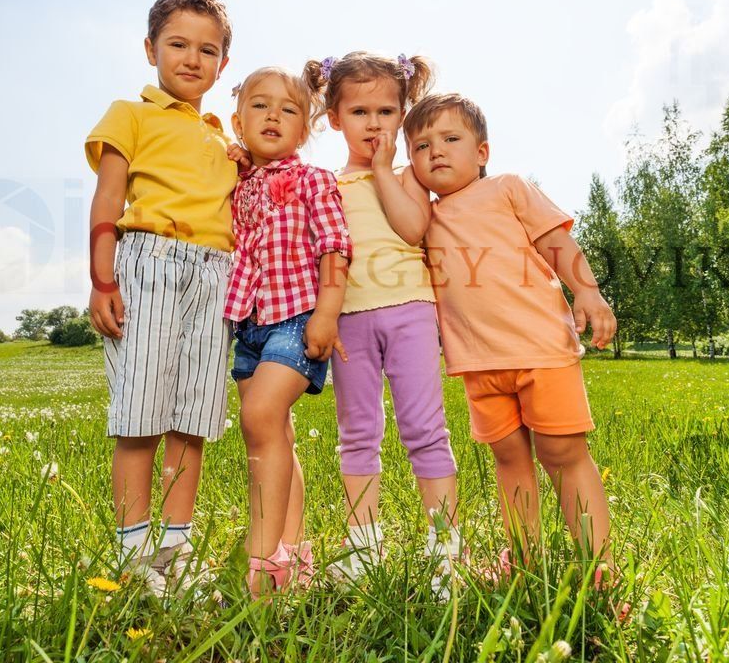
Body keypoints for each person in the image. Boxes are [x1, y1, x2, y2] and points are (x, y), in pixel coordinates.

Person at [404, 92, 618, 584]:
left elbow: (556, 242)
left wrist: (587, 291)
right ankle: (524, 559)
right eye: (420, 146)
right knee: (509, 458)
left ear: (482, 152)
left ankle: (600, 564)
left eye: (450, 139)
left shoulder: (507, 188)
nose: (435, 151)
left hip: (541, 348)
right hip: (479, 364)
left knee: (562, 453)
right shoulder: (421, 217)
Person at [85, 0, 237, 596]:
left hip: (215, 272)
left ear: (223, 64)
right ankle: (131, 552)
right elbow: (107, 198)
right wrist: (102, 278)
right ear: (151, 48)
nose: (192, 58)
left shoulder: (226, 139)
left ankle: (174, 551)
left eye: (208, 49)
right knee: (141, 416)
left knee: (192, 417)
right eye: (178, 43)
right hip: (151, 261)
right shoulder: (131, 113)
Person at [303, 52, 462, 595]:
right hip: (348, 320)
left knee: (424, 429)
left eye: (387, 111)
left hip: (411, 312)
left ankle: (445, 551)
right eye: (360, 112)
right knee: (358, 434)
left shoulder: (406, 176)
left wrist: (379, 172)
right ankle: (363, 547)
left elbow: (414, 228)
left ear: (403, 115)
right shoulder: (324, 185)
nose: (374, 124)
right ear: (333, 119)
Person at [224, 66, 352, 595]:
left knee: (259, 417)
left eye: (288, 108)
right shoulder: (239, 184)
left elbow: (335, 246)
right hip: (250, 323)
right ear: (238, 121)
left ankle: (261, 559)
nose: (273, 114)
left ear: (306, 130)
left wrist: (327, 312)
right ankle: (294, 554)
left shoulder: (313, 181)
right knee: (275, 434)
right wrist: (237, 165)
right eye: (259, 105)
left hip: (298, 316)